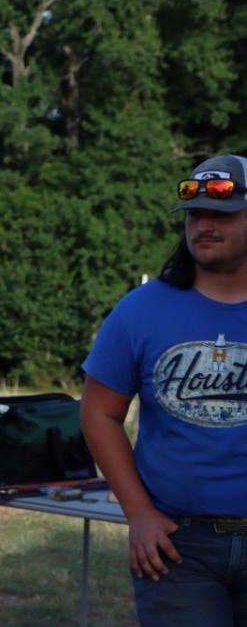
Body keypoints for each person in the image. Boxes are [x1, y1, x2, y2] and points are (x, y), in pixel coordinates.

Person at [81, 153, 247, 626]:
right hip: (179, 546)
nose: (204, 225)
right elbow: (99, 412)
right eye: (195, 215)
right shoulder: (142, 310)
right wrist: (139, 514)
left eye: (223, 213)